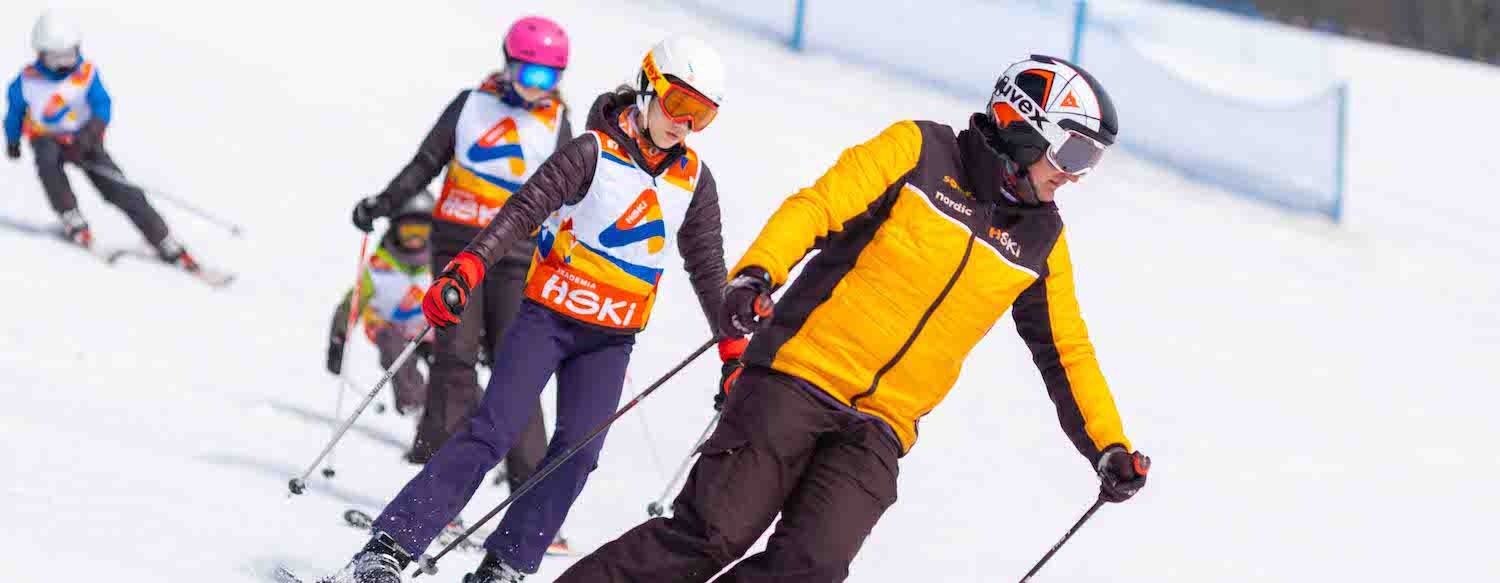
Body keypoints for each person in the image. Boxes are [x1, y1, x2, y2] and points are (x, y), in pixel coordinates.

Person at [554, 54, 1152, 583]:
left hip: (880, 427)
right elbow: (818, 206)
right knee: (709, 535)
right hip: (799, 375)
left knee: (811, 569)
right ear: (1022, 123)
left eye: (1091, 161)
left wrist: (1108, 446)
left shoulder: (1042, 237)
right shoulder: (919, 151)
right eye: (1073, 151)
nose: (1075, 174)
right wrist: (759, 273)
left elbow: (1066, 350)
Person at [333, 36, 743, 583]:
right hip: (546, 320)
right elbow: (525, 209)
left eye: (703, 116)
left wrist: (734, 350)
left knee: (579, 453)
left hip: (611, 339)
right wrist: (469, 266)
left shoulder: (693, 181)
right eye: (678, 106)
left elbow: (709, 270)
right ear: (648, 87)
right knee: (491, 431)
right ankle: (387, 548)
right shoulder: (592, 150)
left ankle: (503, 567)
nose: (685, 126)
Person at [349, 16, 571, 469]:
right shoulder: (471, 105)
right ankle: (434, 482)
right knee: (455, 358)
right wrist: (384, 203)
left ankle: (526, 495)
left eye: (549, 78)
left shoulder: (558, 123)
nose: (537, 87)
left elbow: (573, 197)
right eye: (530, 74)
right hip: (457, 245)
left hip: (518, 256)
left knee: (516, 371)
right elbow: (426, 162)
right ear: (510, 64)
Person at [4, 12, 198, 269]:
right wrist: (13, 140)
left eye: (69, 55)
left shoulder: (85, 74)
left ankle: (162, 238)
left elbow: (102, 106)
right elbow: (14, 112)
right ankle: (71, 217)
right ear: (41, 54)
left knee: (118, 186)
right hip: (47, 137)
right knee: (48, 165)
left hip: (84, 138)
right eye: (55, 57)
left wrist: (89, 135)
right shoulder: (26, 81)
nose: (64, 64)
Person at [327, 192, 436, 415]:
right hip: (389, 328)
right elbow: (352, 304)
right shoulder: (379, 266)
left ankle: (477, 420)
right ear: (396, 230)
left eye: (421, 231)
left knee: (453, 366)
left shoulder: (438, 262)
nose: (415, 238)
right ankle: (415, 403)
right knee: (394, 348)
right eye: (409, 231)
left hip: (429, 329)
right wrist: (338, 339)